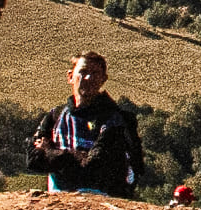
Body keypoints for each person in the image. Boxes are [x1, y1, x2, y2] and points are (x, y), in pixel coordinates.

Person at [40, 50, 142, 199]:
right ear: (70, 76)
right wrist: (79, 157)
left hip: (104, 198)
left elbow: (94, 165)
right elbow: (34, 159)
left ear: (103, 79)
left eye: (95, 73)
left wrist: (52, 153)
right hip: (60, 198)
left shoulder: (116, 120)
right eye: (83, 72)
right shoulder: (55, 116)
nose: (88, 78)